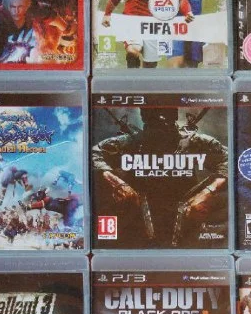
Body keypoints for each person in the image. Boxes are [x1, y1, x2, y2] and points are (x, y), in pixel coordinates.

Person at [92, 106, 227, 247]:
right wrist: (118, 184)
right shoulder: (132, 141)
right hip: (138, 227)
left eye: (165, 118)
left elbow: (232, 160)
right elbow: (93, 154)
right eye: (154, 120)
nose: (161, 126)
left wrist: (208, 192)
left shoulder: (191, 141)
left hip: (186, 226)